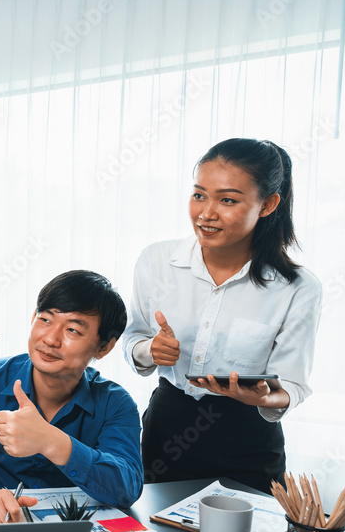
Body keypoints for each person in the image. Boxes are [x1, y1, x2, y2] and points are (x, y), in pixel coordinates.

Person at [122, 138, 322, 494]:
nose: (206, 213)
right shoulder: (156, 261)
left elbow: (292, 384)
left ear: (268, 204)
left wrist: (263, 397)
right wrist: (148, 350)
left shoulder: (297, 287)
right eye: (199, 195)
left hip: (248, 440)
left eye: (227, 200)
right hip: (167, 430)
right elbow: (132, 337)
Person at [0, 270, 143, 524]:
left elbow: (128, 486)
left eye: (72, 330)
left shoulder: (116, 403)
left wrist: (53, 442)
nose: (50, 339)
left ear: (104, 347)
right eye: (45, 320)